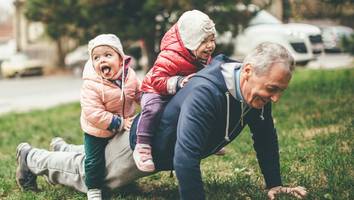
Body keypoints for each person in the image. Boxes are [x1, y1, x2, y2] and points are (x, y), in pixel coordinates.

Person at [16, 42, 307, 200]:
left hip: (156, 150)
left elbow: (265, 136)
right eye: (272, 89)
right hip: (139, 148)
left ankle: (65, 148)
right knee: (89, 176)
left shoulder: (253, 93)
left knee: (94, 160)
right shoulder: (208, 91)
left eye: (280, 90)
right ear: (247, 72)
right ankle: (31, 157)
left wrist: (275, 184)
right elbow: (185, 158)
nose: (276, 98)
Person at [133, 9, 217, 172]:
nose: (210, 46)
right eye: (204, 41)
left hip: (179, 89)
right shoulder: (169, 55)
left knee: (199, 107)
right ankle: (142, 145)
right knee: (154, 108)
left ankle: (207, 139)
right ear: (190, 41)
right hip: (154, 89)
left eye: (212, 39)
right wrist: (178, 82)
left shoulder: (201, 56)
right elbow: (156, 80)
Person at [78, 34, 141, 199]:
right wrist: (119, 122)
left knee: (120, 155)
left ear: (121, 59)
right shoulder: (91, 84)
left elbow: (139, 93)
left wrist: (150, 102)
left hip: (122, 125)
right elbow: (93, 113)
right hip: (97, 130)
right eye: (96, 57)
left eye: (108, 55)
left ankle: (126, 181)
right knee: (94, 161)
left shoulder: (130, 76)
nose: (102, 60)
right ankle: (93, 188)